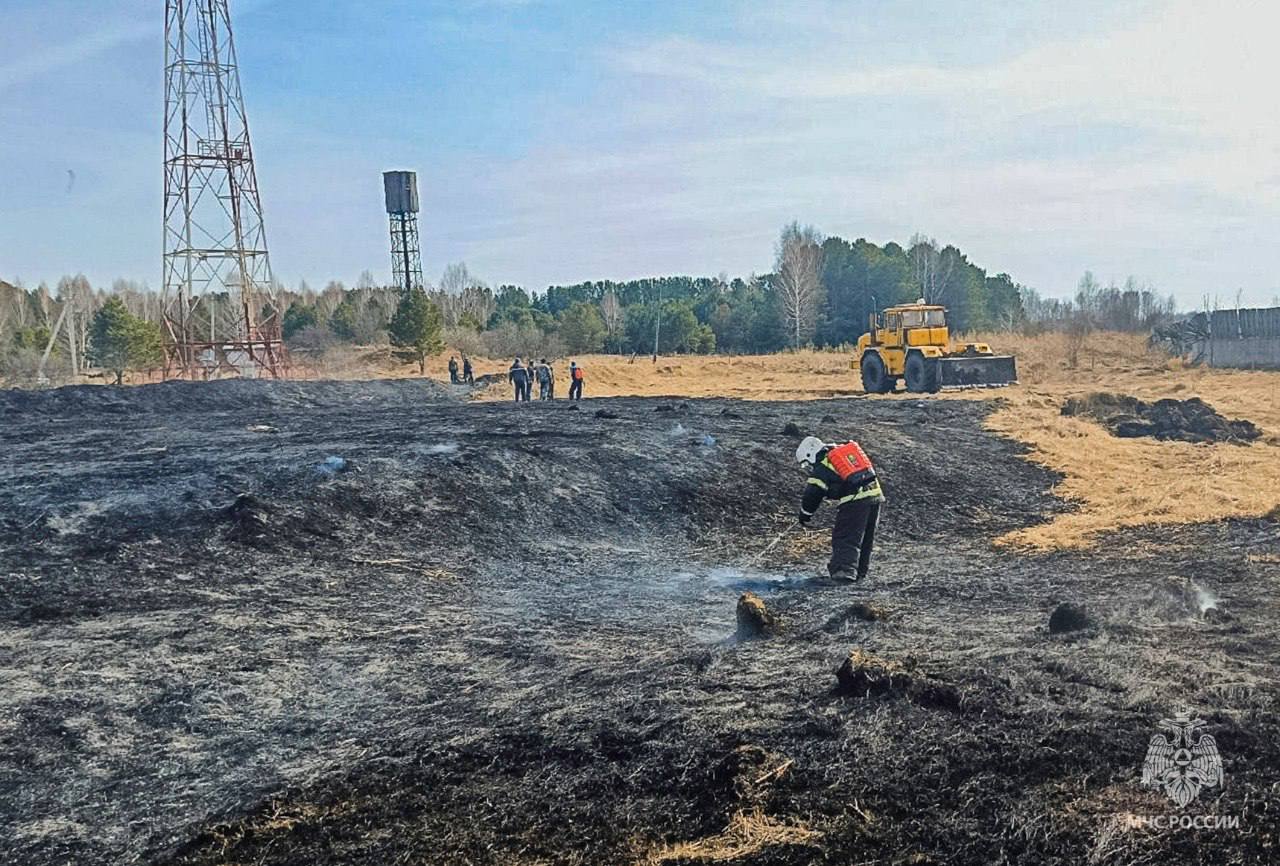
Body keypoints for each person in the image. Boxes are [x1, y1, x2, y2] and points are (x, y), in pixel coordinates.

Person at [795, 435, 884, 582]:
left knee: (845, 537)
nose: (809, 468)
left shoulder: (823, 464)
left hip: (855, 501)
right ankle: (860, 573)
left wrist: (805, 513)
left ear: (810, 455)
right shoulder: (840, 454)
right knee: (864, 539)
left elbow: (813, 493)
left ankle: (843, 574)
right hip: (875, 497)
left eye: (806, 464)